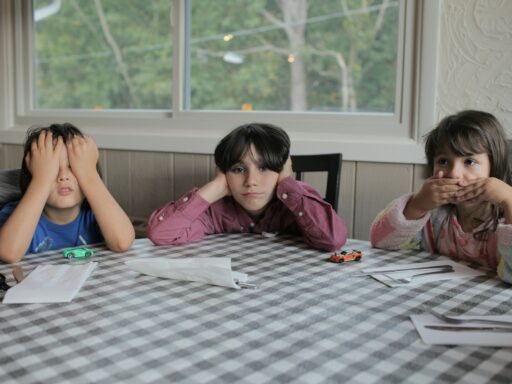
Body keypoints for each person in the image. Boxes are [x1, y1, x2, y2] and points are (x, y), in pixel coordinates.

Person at [146, 123, 347, 251]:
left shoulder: (296, 199)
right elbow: (160, 234)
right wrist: (213, 188)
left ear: (282, 170)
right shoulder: (213, 211)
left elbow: (333, 239)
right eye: (239, 169)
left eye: (265, 168)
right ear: (224, 174)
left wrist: (287, 183)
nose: (251, 181)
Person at [370, 110, 512, 283]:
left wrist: (509, 200)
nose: (453, 174)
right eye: (443, 161)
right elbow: (381, 241)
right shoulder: (433, 215)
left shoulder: (506, 217)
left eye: (469, 161)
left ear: (494, 166)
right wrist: (417, 205)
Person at [0, 123, 135, 263]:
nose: (63, 176)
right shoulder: (13, 214)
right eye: (53, 169)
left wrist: (89, 175)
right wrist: (41, 179)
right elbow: (9, 254)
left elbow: (122, 242)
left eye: (73, 167)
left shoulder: (97, 215)